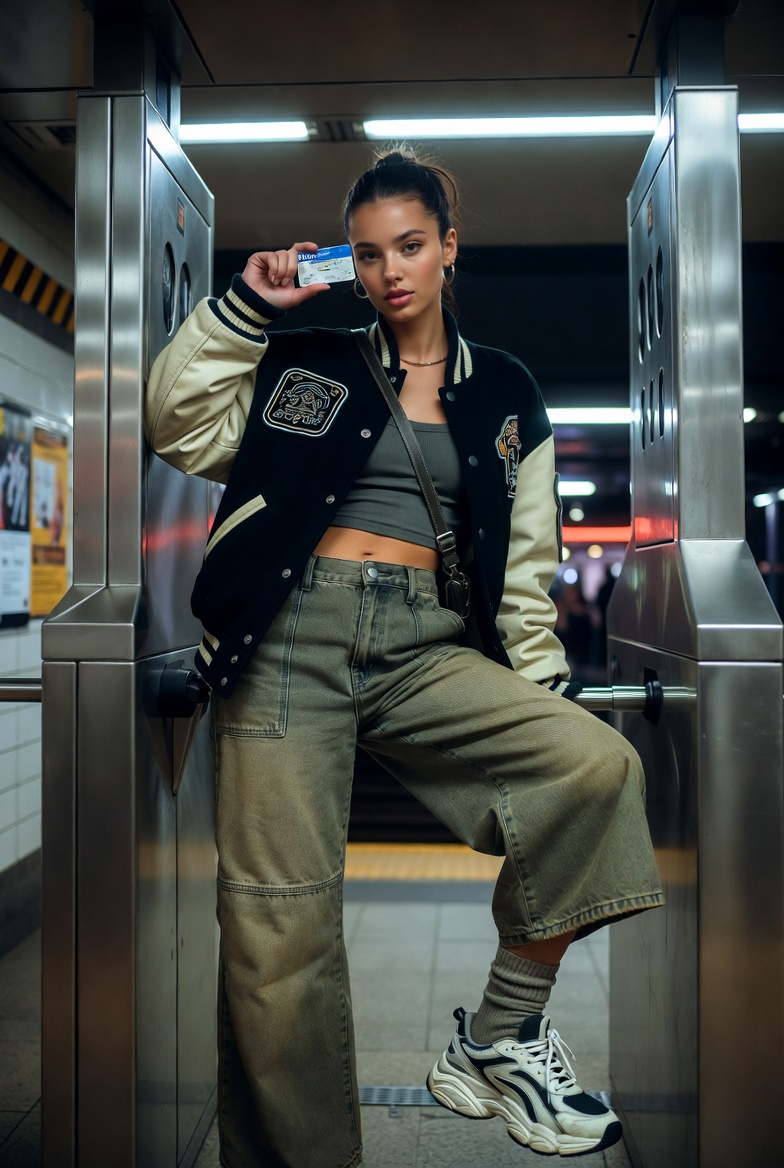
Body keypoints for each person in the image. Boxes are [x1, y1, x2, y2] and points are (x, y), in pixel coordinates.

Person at [145, 149, 664, 1168]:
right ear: (352, 262)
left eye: (412, 247)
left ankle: (499, 1036)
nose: (392, 272)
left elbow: (523, 566)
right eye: (372, 253)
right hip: (286, 639)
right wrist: (247, 307)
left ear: (448, 247)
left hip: (425, 642)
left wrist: (536, 673)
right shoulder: (307, 365)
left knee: (594, 766)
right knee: (275, 928)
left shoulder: (506, 390)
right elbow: (175, 420)